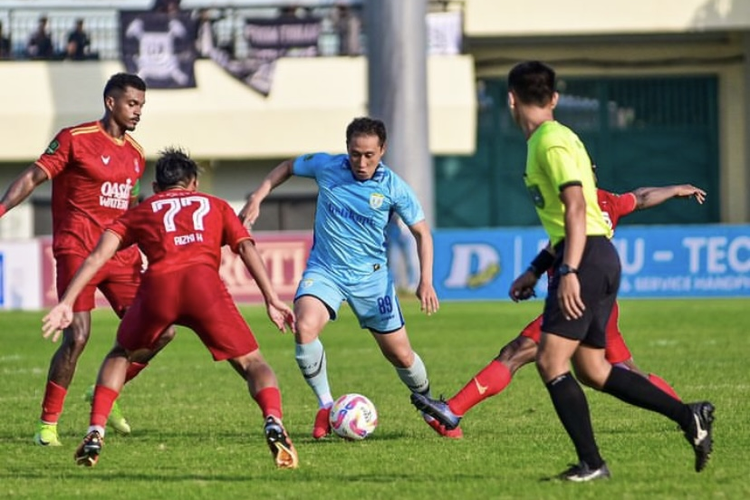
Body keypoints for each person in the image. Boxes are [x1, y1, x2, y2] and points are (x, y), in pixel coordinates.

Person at [428, 61, 713, 481]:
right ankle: (689, 416)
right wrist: (536, 269)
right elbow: (569, 220)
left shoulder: (549, 142)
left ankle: (592, 463)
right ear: (555, 98)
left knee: (548, 360)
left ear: (510, 99)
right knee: (594, 370)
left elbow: (577, 208)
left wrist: (571, 270)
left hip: (587, 259)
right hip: (593, 257)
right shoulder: (555, 139)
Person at [42, 148, 299, 469]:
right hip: (205, 288)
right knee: (252, 362)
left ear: (155, 187)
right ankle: (273, 420)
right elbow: (245, 246)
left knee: (120, 353)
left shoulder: (143, 209)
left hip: (159, 288)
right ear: (193, 183)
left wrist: (66, 302)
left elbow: (96, 256)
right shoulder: (215, 205)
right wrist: (271, 297)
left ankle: (95, 429)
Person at [412, 180, 707, 436]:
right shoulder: (606, 201)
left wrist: (537, 272)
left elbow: (568, 241)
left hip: (575, 298)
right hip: (600, 302)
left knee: (515, 353)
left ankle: (452, 411)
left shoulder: (573, 207)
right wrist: (676, 189)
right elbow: (640, 197)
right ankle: (688, 414)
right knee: (623, 370)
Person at [239, 116, 460, 439]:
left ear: (382, 150)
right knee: (304, 327)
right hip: (325, 271)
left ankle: (429, 405)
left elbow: (422, 233)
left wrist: (426, 280)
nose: (361, 161)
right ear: (347, 149)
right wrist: (259, 196)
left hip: (372, 281)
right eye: (355, 153)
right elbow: (287, 166)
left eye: (369, 154)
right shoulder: (327, 166)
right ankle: (326, 405)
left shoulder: (393, 187)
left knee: (400, 354)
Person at [0, 73, 175, 446]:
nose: (138, 112)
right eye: (132, 104)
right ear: (110, 102)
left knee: (162, 330)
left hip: (121, 256)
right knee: (77, 336)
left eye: (142, 105)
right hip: (77, 249)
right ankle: (47, 426)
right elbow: (33, 177)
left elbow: (130, 207)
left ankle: (104, 393)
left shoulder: (137, 154)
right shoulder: (74, 139)